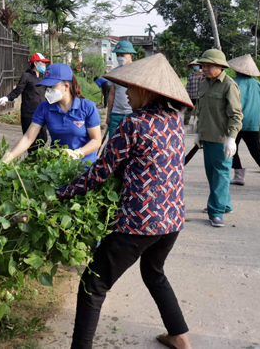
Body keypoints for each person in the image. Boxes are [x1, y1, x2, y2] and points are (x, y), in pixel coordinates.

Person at [56, 54, 193, 349]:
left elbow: (99, 174)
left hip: (139, 223)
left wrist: (61, 192)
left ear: (145, 91)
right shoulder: (174, 121)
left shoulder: (134, 124)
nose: (126, 96)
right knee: (153, 272)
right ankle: (179, 336)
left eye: (129, 90)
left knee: (94, 285)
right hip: (172, 221)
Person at [1, 63, 101, 164]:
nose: (47, 91)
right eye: (46, 87)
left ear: (66, 86)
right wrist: (10, 156)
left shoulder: (87, 107)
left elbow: (96, 140)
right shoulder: (44, 108)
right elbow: (28, 137)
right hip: (58, 165)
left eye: (51, 87)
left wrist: (79, 153)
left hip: (85, 165)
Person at [194, 49, 243, 228]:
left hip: (222, 138)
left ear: (220, 67)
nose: (204, 69)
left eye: (208, 66)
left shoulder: (229, 85)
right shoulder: (204, 84)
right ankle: (225, 203)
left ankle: (216, 211)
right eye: (203, 66)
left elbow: (236, 115)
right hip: (208, 137)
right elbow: (200, 111)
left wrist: (232, 138)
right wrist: (198, 132)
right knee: (212, 174)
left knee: (221, 174)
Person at [227, 54, 260, 190]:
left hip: (235, 123)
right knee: (256, 151)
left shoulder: (232, 82)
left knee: (231, 149)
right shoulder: (258, 85)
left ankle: (239, 175)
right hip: (253, 123)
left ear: (237, 70)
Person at [0, 53, 50, 153]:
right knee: (31, 141)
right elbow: (18, 91)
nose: (44, 65)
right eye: (42, 63)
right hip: (29, 114)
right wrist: (7, 98)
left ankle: (40, 161)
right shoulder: (26, 76)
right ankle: (32, 161)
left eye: (44, 63)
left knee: (43, 139)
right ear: (35, 63)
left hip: (42, 112)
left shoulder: (44, 77)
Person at [106, 41, 135, 138]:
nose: (119, 57)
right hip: (116, 114)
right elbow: (111, 94)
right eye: (117, 55)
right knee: (113, 143)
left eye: (122, 54)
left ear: (130, 54)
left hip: (133, 113)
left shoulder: (138, 71)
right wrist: (108, 115)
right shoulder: (114, 72)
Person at [184, 60, 203, 126]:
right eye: (194, 65)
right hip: (192, 95)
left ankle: (200, 122)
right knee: (189, 109)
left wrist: (201, 78)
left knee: (201, 109)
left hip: (200, 95)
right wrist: (187, 94)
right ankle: (186, 122)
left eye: (197, 65)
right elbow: (188, 86)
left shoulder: (202, 75)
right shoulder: (191, 75)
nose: (195, 66)